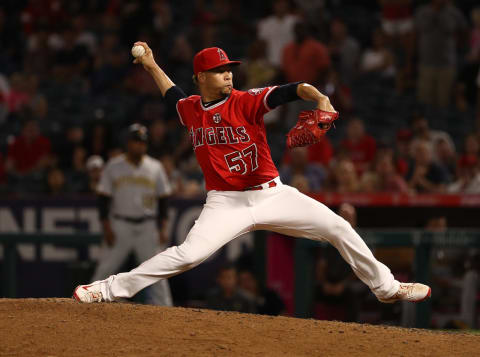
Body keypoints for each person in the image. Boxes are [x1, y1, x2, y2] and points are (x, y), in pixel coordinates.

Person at [73, 43, 431, 305]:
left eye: (229, 68)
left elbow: (291, 91)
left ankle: (386, 288)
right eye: (219, 70)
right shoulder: (191, 109)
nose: (228, 73)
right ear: (201, 77)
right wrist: (151, 63)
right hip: (225, 203)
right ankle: (106, 289)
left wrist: (319, 97)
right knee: (187, 255)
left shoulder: (246, 101)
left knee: (338, 227)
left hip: (272, 194)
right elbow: (172, 94)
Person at [86, 123, 173, 306]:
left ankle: (166, 310)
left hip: (147, 226)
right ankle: (89, 302)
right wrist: (106, 227)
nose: (139, 146)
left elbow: (164, 200)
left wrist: (163, 228)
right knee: (105, 268)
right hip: (120, 225)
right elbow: (103, 199)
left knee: (156, 272)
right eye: (135, 142)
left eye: (142, 142)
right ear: (128, 143)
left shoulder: (155, 167)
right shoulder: (113, 166)